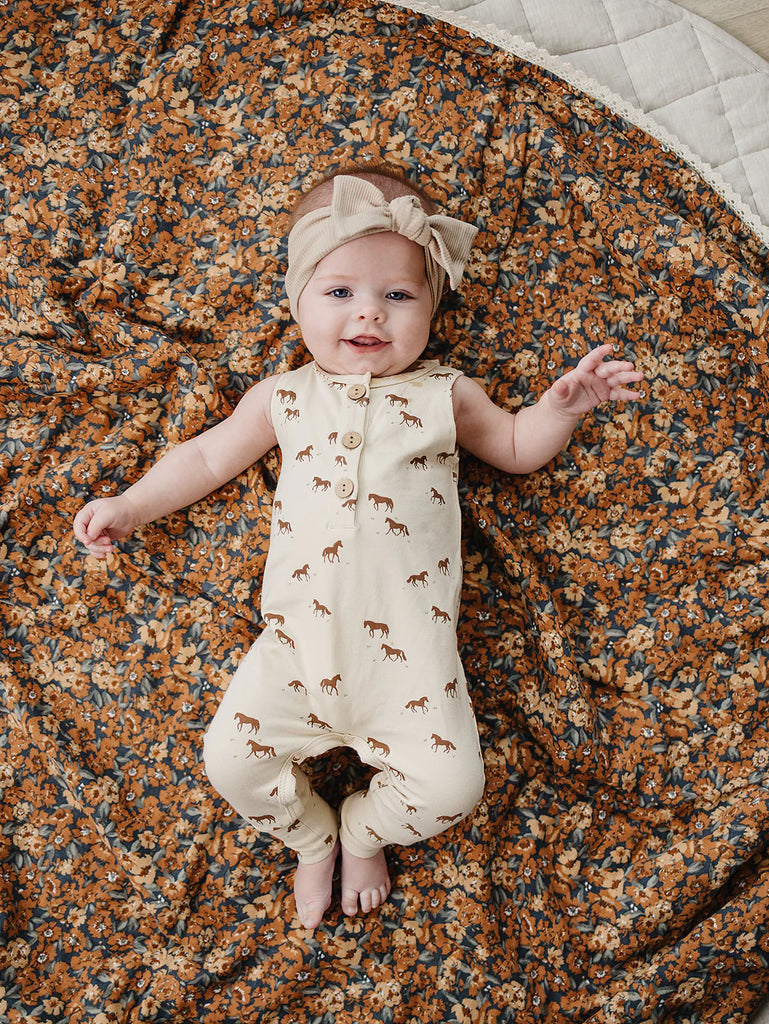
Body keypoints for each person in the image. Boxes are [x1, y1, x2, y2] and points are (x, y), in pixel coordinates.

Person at [73, 166, 644, 930]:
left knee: (453, 790)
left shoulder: (445, 394)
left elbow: (513, 447)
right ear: (298, 301)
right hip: (294, 652)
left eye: (398, 295)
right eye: (339, 291)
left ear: (432, 308)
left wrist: (559, 410)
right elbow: (205, 458)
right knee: (229, 763)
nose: (369, 311)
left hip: (412, 664)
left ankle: (364, 829)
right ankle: (309, 836)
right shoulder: (283, 396)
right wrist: (130, 505)